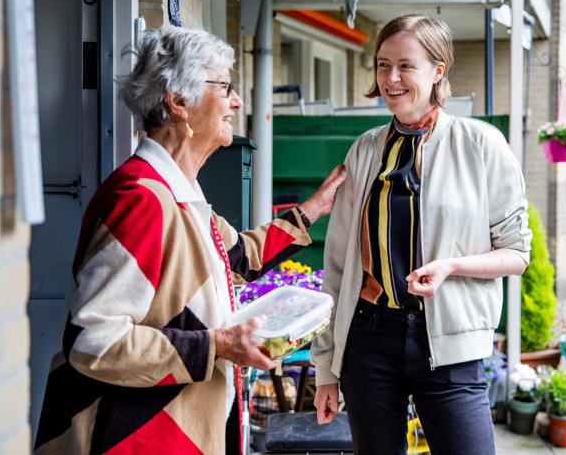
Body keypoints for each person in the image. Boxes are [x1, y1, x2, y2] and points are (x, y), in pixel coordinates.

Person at [34, 26, 346, 455]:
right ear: (179, 102)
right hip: (135, 437)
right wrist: (217, 345)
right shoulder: (141, 200)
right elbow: (92, 341)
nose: (237, 101)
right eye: (226, 87)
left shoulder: (178, 189)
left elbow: (236, 256)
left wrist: (314, 208)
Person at [311, 14, 532, 455]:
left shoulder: (481, 144)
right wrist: (325, 370)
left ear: (438, 71)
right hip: (368, 341)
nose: (391, 78)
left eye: (406, 66)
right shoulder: (365, 149)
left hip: (451, 346)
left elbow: (516, 254)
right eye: (382, 65)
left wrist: (452, 265)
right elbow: (336, 264)